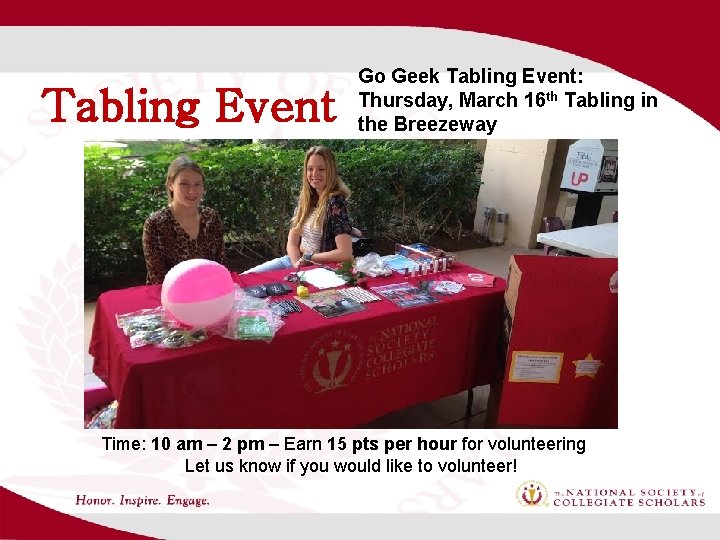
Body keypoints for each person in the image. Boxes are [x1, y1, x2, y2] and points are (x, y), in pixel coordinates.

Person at [244, 145, 353, 273]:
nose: (314, 174)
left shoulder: (335, 203)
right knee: (245, 277)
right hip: (294, 261)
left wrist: (309, 259)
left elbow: (344, 253)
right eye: (310, 169)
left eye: (321, 169)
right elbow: (292, 242)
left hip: (320, 268)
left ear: (331, 171)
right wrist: (297, 266)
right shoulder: (306, 199)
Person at [142, 155, 228, 284]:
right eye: (184, 184)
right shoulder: (156, 224)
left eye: (197, 184)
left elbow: (220, 265)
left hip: (211, 292)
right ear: (171, 184)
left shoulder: (211, 218)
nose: (192, 191)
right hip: (171, 297)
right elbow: (158, 278)